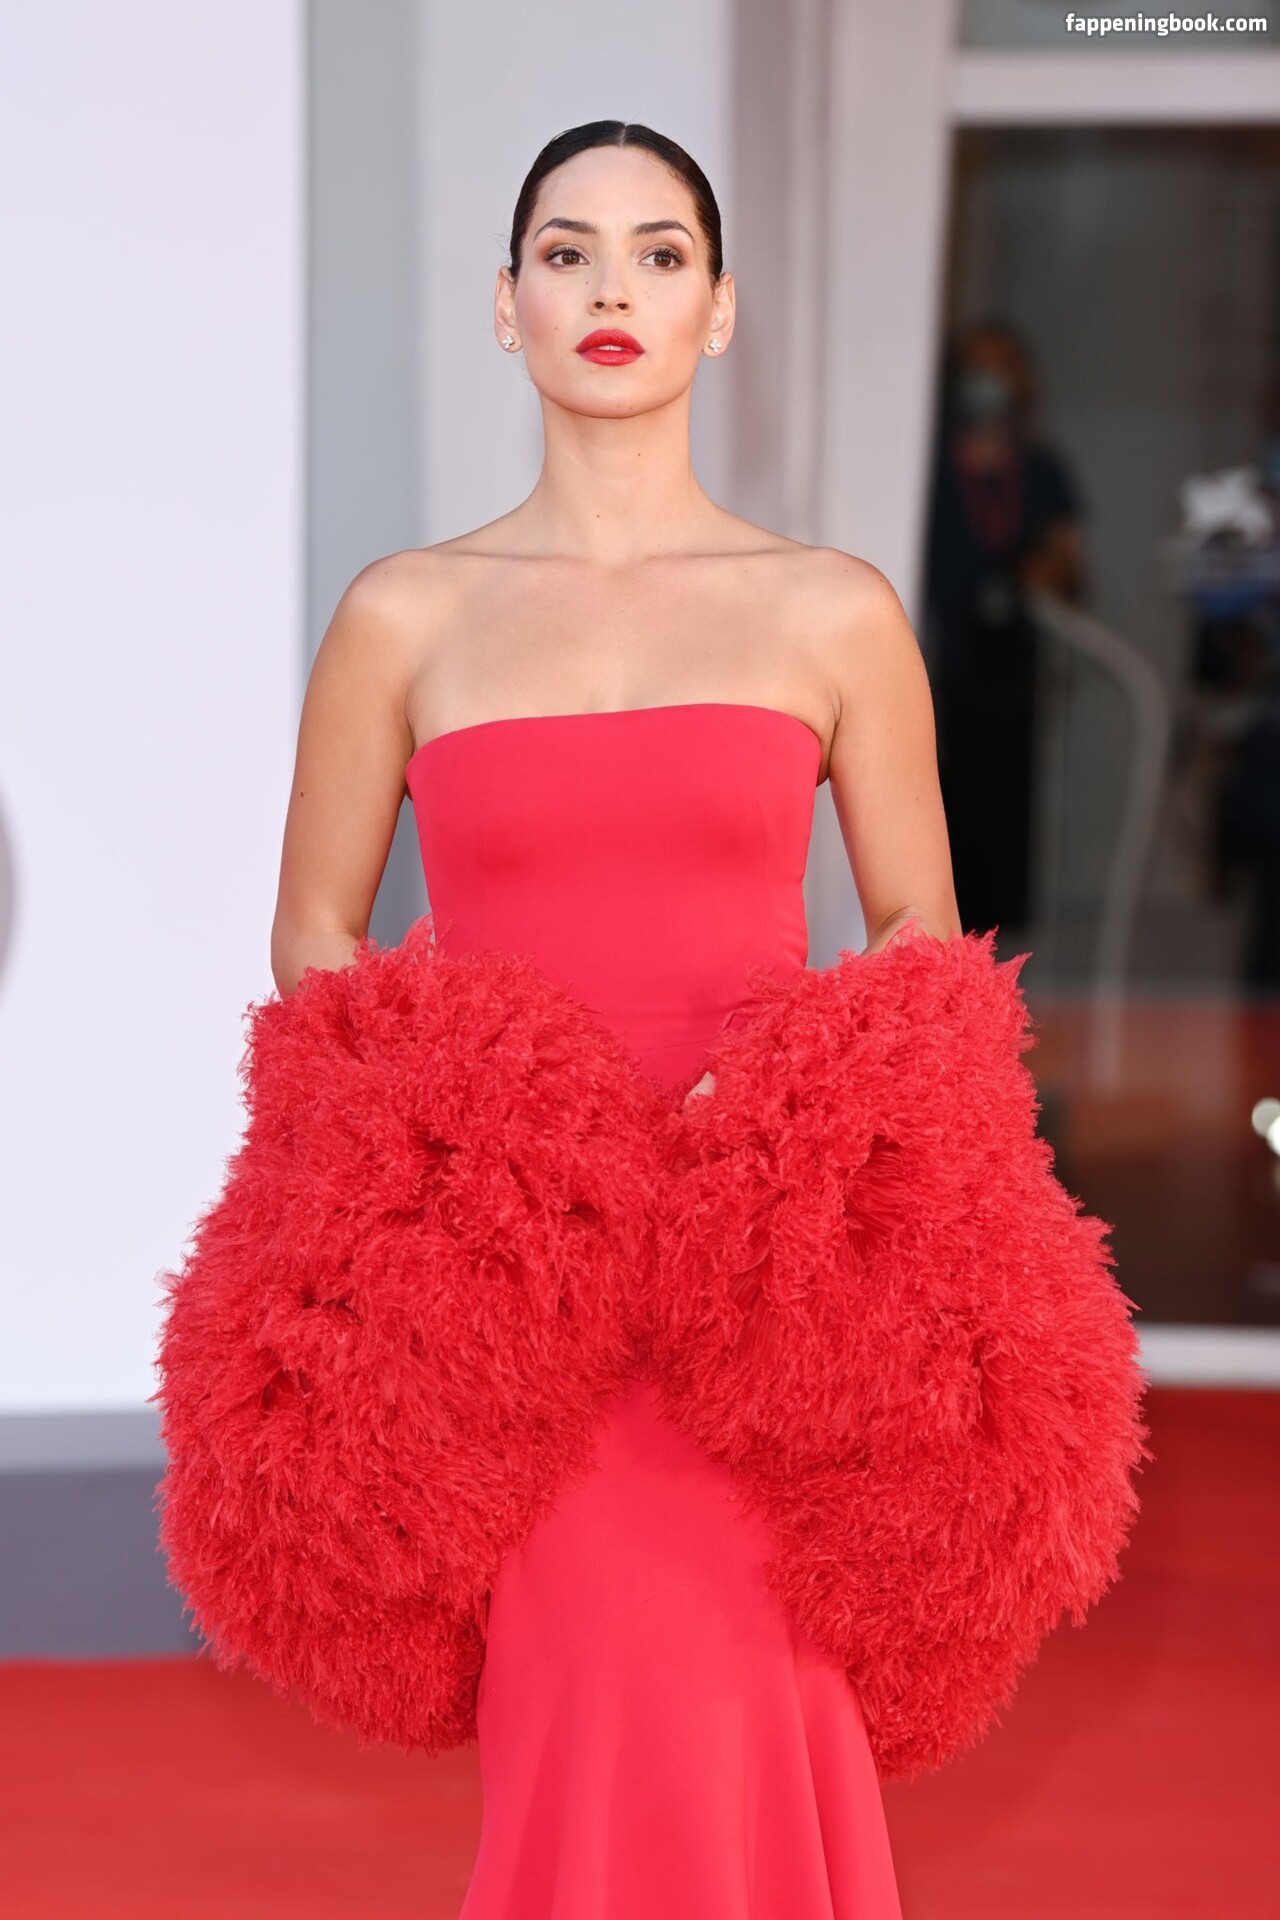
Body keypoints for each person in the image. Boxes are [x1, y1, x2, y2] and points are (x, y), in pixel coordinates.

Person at [271, 120, 952, 1915]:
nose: (612, 290)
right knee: (577, 1716)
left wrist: (790, 1107)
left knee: (760, 1708)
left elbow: (921, 935)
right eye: (567, 253)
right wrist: (470, 1144)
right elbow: (316, 935)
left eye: (660, 254)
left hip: (756, 1275)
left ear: (719, 310)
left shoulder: (831, 610)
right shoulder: (405, 615)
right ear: (507, 305)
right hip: (524, 1295)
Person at [923, 319, 1086, 942]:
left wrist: (1047, 572)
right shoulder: (927, 468)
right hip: (939, 680)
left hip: (1016, 688)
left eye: (1001, 367)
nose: (988, 381)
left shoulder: (1040, 471)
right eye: (977, 366)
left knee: (1004, 855)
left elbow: (1073, 570)